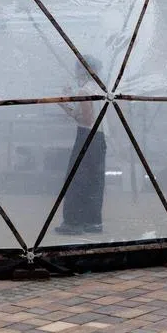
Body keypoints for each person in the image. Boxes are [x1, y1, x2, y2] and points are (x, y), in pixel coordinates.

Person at [54, 56, 106, 236]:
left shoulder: (85, 91)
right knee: (94, 180)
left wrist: (64, 105)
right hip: (99, 139)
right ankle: (93, 222)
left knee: (77, 179)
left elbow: (86, 119)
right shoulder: (100, 89)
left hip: (86, 138)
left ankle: (73, 222)